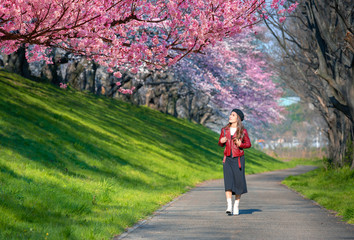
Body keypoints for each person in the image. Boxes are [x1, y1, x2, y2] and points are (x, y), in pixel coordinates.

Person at [218, 109, 251, 216]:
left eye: (233, 115)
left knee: (238, 183)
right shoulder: (224, 130)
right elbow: (220, 143)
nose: (230, 116)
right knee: (228, 182)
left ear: (238, 118)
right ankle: (229, 206)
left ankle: (236, 205)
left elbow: (248, 144)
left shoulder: (243, 131)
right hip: (227, 159)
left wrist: (241, 144)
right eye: (230, 114)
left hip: (238, 159)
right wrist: (221, 142)